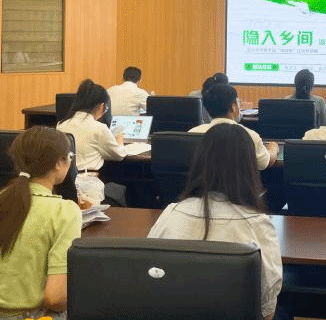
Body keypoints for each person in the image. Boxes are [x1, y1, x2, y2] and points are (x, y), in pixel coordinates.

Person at [148, 124, 282, 320]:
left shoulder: (171, 213)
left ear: (199, 162)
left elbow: (151, 275)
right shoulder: (258, 224)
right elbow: (267, 311)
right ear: (249, 169)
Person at [0, 127, 81, 319]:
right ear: (58, 163)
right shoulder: (64, 212)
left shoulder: (4, 198)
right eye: (69, 157)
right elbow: (55, 298)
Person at [189, 84, 278, 170]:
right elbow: (264, 163)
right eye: (238, 102)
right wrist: (273, 147)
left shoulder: (192, 133)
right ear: (233, 107)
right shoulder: (249, 135)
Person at [57, 79, 126, 171]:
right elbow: (119, 155)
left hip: (66, 178)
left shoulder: (61, 124)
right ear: (101, 106)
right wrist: (119, 140)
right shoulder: (99, 128)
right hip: (89, 177)